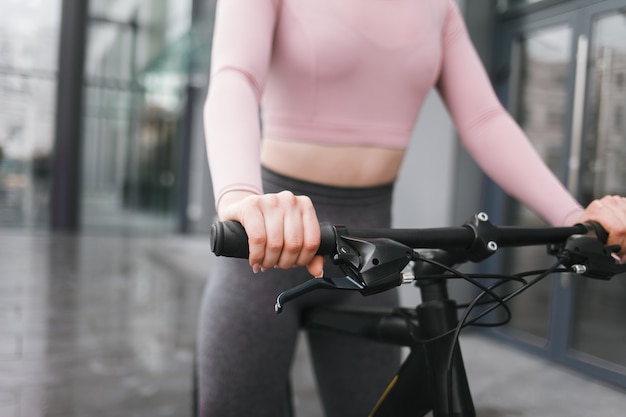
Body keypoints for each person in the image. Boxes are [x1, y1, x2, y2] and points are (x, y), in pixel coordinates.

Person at [197, 1, 626, 416]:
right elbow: (235, 78)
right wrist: (240, 197)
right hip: (271, 232)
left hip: (370, 248)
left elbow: (484, 118)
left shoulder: (438, 8)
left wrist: (573, 219)